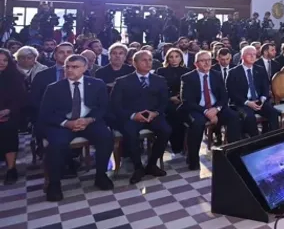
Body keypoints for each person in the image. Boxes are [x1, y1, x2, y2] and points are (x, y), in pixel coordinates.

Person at [38, 55, 114, 201]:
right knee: (56, 145)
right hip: (63, 124)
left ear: (85, 68)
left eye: (75, 67)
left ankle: (101, 175)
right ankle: (54, 184)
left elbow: (103, 107)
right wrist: (67, 123)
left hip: (89, 121)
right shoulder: (54, 88)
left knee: (105, 137)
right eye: (67, 67)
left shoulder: (97, 84)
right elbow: (46, 113)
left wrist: (89, 119)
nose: (70, 70)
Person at [111, 50, 170, 184]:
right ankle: (138, 167)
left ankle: (152, 164)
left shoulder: (159, 80)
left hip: (153, 116)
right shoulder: (122, 81)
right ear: (134, 63)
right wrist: (133, 115)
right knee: (130, 133)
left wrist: (155, 113)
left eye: (150, 60)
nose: (148, 63)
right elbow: (115, 105)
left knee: (166, 130)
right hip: (132, 117)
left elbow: (164, 101)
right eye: (144, 60)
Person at [180, 51, 240, 170]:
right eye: (203, 60)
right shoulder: (187, 78)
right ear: (196, 64)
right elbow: (187, 100)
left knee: (233, 117)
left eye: (209, 60)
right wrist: (205, 112)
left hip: (215, 107)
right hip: (197, 108)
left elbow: (224, 96)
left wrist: (216, 109)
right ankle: (193, 160)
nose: (207, 63)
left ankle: (232, 154)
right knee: (197, 123)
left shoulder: (216, 74)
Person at [226, 46, 280, 136]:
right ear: (242, 56)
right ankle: (254, 141)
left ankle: (274, 138)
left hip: (259, 101)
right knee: (249, 117)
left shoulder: (260, 69)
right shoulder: (233, 72)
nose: (252, 56)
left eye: (254, 54)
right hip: (242, 103)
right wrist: (247, 102)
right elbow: (232, 93)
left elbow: (265, 86)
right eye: (249, 54)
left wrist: (263, 98)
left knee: (273, 113)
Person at [155, 48, 189, 154]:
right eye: (171, 57)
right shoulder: (161, 71)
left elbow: (190, 88)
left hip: (183, 100)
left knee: (182, 112)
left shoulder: (187, 71)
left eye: (177, 56)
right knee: (172, 112)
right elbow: (159, 88)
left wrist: (181, 98)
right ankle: (175, 145)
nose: (174, 59)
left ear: (181, 58)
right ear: (167, 58)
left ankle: (182, 144)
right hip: (166, 100)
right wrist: (170, 97)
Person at [0, 48, 26, 185]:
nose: (2, 63)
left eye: (5, 60)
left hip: (10, 114)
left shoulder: (16, 76)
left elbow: (20, 99)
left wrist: (7, 111)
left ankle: (11, 169)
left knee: (8, 130)